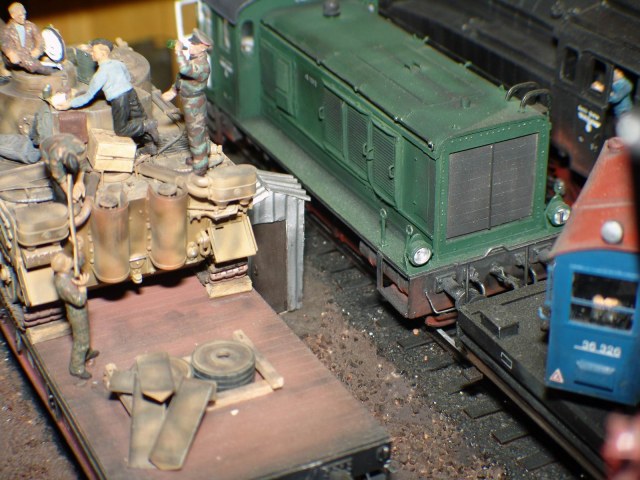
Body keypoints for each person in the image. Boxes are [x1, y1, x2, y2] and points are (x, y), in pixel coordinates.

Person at [52, 39, 159, 154]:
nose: (91, 54)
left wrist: (69, 104)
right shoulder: (118, 64)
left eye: (94, 51)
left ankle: (147, 125)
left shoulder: (100, 74)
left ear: (103, 53)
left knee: (122, 129)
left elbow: (88, 97)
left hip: (119, 99)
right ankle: (150, 145)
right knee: (138, 119)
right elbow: (128, 77)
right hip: (130, 92)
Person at [162, 29, 212, 175]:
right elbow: (182, 78)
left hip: (195, 102)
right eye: (191, 43)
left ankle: (200, 165)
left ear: (203, 47)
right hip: (189, 100)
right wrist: (173, 90)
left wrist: (178, 52)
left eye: (194, 44)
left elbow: (185, 70)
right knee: (197, 130)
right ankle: (201, 155)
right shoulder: (193, 59)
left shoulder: (202, 65)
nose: (190, 46)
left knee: (195, 132)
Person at [52, 249, 98, 380]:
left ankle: (86, 353)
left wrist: (79, 247)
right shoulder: (63, 285)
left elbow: (79, 263)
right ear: (63, 267)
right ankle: (76, 367)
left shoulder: (64, 274)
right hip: (76, 314)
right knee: (81, 340)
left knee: (85, 336)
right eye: (68, 261)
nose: (71, 261)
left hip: (80, 312)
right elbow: (79, 301)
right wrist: (82, 287)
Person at [0, 2, 54, 75]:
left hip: (30, 53)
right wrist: (10, 53)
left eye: (24, 14)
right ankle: (43, 69)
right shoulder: (7, 29)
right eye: (20, 15)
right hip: (17, 56)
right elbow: (5, 43)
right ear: (13, 15)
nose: (23, 17)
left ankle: (43, 67)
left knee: (31, 59)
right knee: (26, 60)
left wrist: (37, 49)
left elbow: (39, 39)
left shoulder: (31, 26)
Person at [40, 133, 87, 204]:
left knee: (73, 175)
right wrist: (70, 194)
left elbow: (83, 165)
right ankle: (57, 195)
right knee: (55, 178)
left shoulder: (80, 148)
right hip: (46, 147)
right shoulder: (55, 156)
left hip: (66, 140)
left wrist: (79, 181)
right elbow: (59, 178)